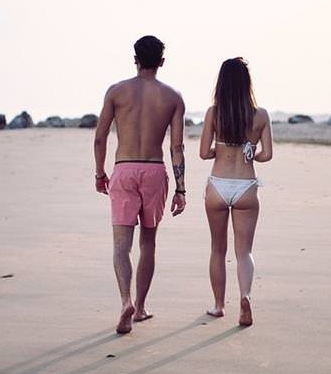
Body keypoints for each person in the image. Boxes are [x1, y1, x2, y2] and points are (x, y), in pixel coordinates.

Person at [93, 35, 187, 334]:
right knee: (148, 242)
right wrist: (181, 188)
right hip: (154, 170)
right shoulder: (173, 97)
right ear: (161, 61)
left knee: (121, 245)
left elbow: (100, 137)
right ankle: (141, 307)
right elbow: (177, 147)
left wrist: (99, 173)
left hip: (124, 168)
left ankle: (125, 301)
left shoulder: (116, 92)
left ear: (135, 59)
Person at [199, 57, 273, 326]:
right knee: (244, 252)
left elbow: (203, 152)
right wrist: (250, 150)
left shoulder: (213, 113)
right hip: (246, 187)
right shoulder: (260, 115)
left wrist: (220, 149)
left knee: (218, 249)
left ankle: (219, 306)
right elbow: (267, 156)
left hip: (218, 185)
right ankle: (245, 296)